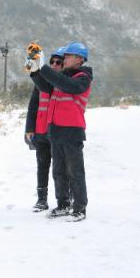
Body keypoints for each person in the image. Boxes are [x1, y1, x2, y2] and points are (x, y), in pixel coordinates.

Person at [26, 42, 93, 222]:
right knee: (59, 171)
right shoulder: (61, 77)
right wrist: (34, 69)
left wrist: (43, 66)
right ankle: (63, 204)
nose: (64, 59)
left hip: (72, 131)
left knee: (75, 171)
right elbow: (45, 87)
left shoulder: (82, 77)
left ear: (79, 59)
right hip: (55, 131)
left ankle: (79, 208)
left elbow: (66, 85)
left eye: (68, 56)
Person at [24, 47, 65, 211]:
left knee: (60, 168)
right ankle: (41, 200)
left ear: (63, 65)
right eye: (52, 62)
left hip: (57, 132)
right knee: (42, 166)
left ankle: (63, 200)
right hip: (40, 131)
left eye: (58, 62)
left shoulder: (63, 81)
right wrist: (29, 128)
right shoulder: (40, 82)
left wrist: (37, 72)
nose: (54, 65)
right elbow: (32, 106)